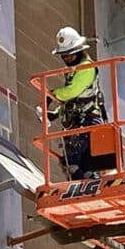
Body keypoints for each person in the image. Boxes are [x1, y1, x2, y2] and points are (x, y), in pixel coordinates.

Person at [44, 26, 106, 180]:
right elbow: (73, 100)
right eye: (64, 56)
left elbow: (72, 91)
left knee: (71, 162)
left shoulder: (86, 67)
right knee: (73, 164)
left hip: (88, 121)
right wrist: (56, 113)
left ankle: (88, 184)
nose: (67, 59)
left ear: (79, 50)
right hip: (78, 121)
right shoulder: (74, 70)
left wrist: (52, 95)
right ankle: (88, 183)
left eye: (70, 56)